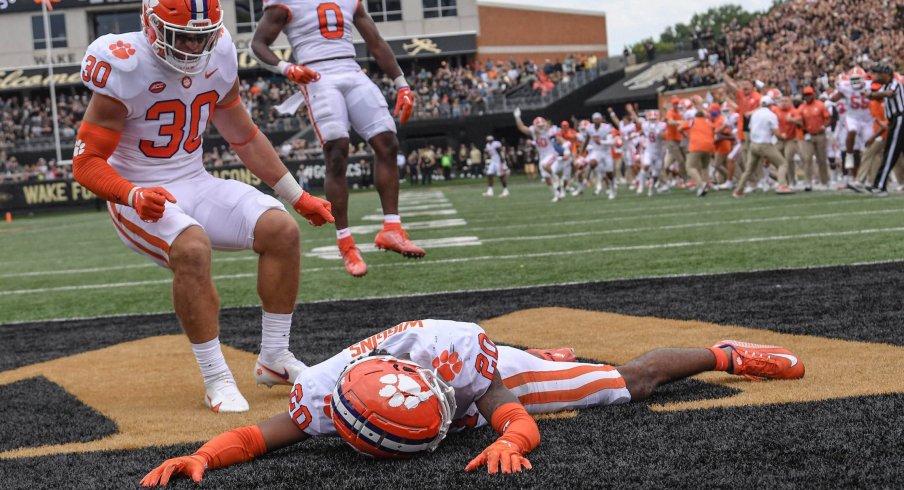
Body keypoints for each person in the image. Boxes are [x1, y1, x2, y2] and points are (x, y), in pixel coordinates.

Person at [140, 318, 805, 485]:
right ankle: (537, 354)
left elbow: (506, 410)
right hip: (447, 380)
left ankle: (726, 352)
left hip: (477, 373)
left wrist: (511, 438)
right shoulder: (321, 391)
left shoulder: (454, 357)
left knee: (624, 386)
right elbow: (259, 436)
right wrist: (201, 456)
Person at [72, 0, 334, 413]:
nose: (194, 47)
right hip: (137, 191)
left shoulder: (221, 52)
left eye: (202, 36)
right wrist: (132, 195)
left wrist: (296, 196)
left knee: (281, 230)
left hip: (194, 179)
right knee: (192, 249)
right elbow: (86, 163)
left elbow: (243, 135)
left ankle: (275, 358)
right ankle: (216, 378)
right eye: (183, 37)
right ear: (150, 25)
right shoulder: (124, 63)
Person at [251, 0, 423, 278]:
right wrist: (286, 68)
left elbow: (375, 41)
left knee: (388, 143)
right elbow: (258, 44)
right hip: (316, 74)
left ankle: (392, 229)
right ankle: (346, 242)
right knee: (337, 151)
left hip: (352, 70)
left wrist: (401, 83)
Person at [733, 96, 793, 197]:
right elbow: (776, 132)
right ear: (770, 105)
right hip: (764, 144)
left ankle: (738, 190)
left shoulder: (755, 114)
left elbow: (751, 128)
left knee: (749, 169)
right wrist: (782, 136)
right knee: (783, 164)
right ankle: (782, 185)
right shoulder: (771, 115)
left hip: (753, 144)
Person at [864, 62, 904, 195]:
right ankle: (879, 184)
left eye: (878, 73)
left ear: (886, 74)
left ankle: (880, 185)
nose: (875, 76)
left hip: (899, 119)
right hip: (895, 120)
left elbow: (888, 93)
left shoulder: (894, 84)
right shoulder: (885, 85)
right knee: (892, 153)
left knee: (890, 153)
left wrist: (871, 95)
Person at [798, 87, 831, 190]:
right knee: (807, 159)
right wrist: (802, 129)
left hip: (820, 134)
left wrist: (824, 126)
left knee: (821, 159)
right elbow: (799, 121)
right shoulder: (801, 108)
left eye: (809, 95)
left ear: (813, 95)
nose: (808, 97)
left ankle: (824, 181)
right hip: (808, 135)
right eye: (806, 95)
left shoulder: (820, 105)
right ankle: (808, 181)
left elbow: (828, 118)